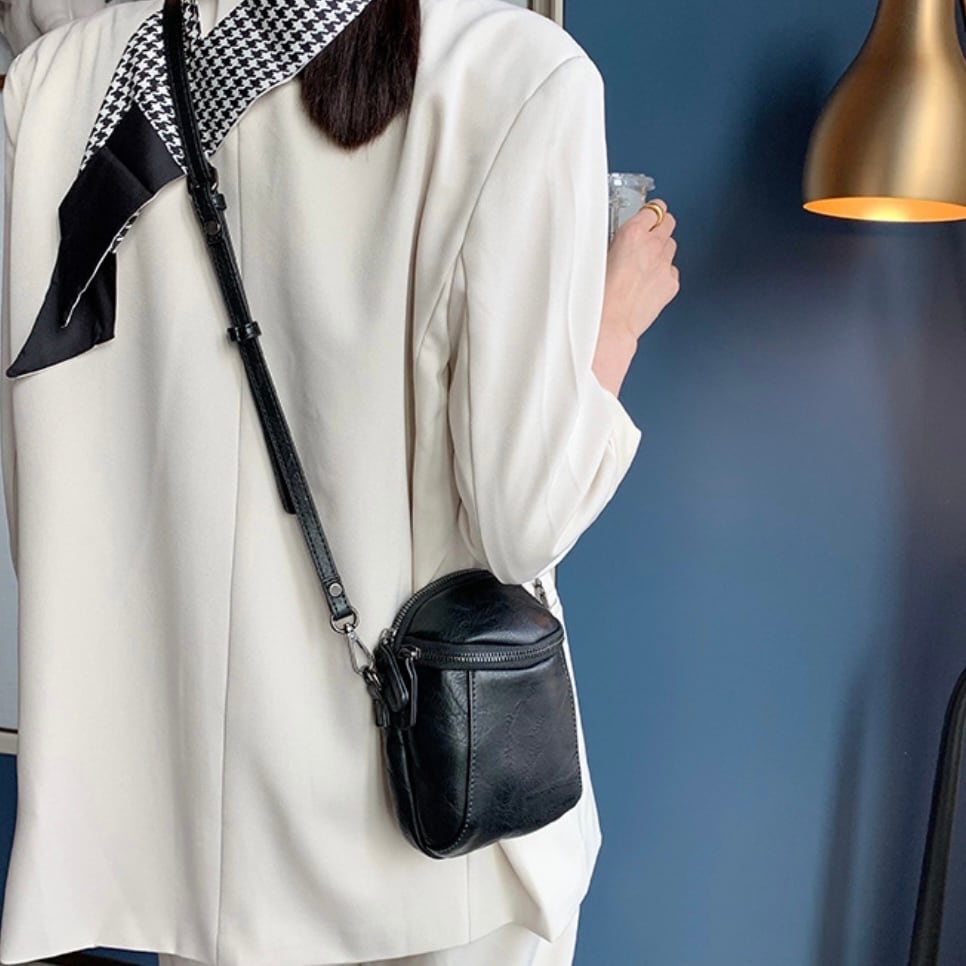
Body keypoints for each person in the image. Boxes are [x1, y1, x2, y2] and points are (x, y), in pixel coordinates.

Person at [0, 0, 679, 964]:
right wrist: (612, 326)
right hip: (428, 845)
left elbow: (47, 506)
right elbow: (521, 523)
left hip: (202, 864)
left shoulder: (52, 89)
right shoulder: (515, 72)